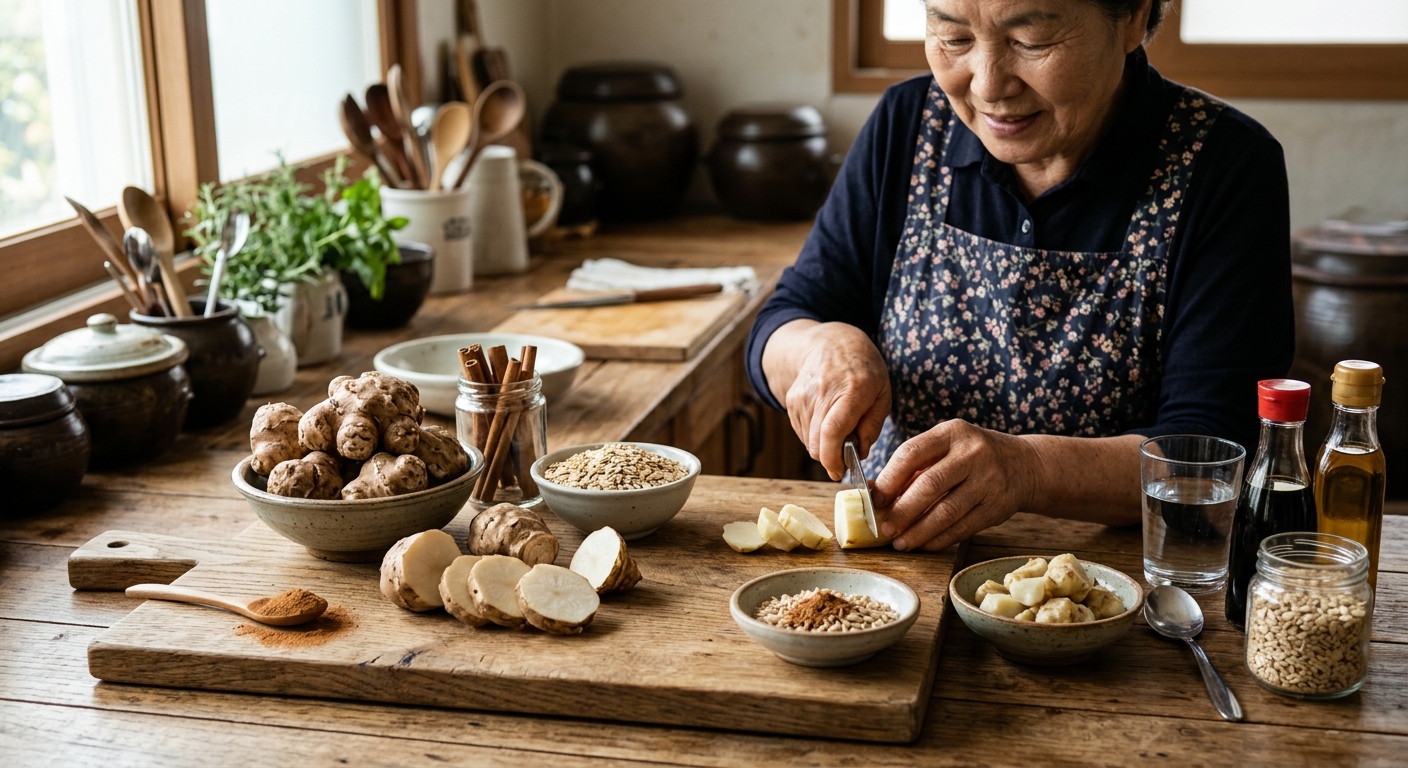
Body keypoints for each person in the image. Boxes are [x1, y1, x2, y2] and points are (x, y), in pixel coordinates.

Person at [746, 0, 1294, 552]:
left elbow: (1211, 454)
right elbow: (782, 322)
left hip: (1117, 585)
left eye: (1031, 41)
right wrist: (818, 345)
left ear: (1132, 17)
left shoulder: (1225, 167)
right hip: (903, 569)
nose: (988, 86)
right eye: (954, 38)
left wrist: (1027, 469)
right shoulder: (907, 125)